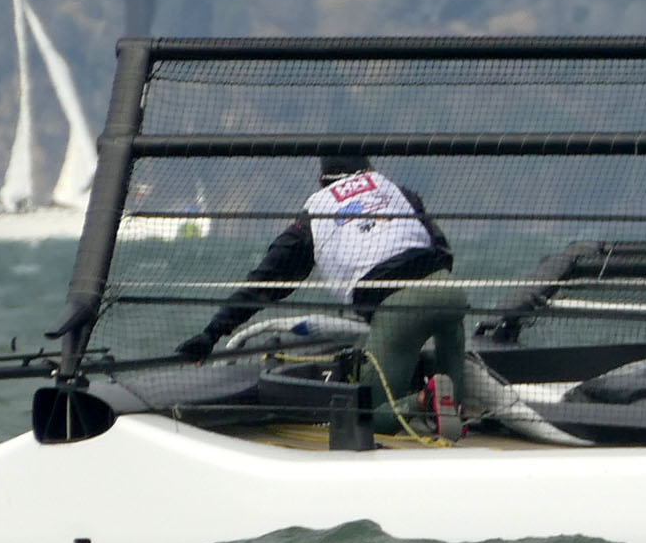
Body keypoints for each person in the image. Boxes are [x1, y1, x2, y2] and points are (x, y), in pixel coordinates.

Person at [176, 151, 479, 436]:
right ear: (367, 168)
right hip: (448, 293)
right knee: (448, 324)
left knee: (368, 416)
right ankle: (456, 408)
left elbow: (263, 284)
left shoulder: (315, 212)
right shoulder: (395, 190)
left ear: (323, 179)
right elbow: (441, 249)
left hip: (397, 309)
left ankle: (426, 400)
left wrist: (211, 334)